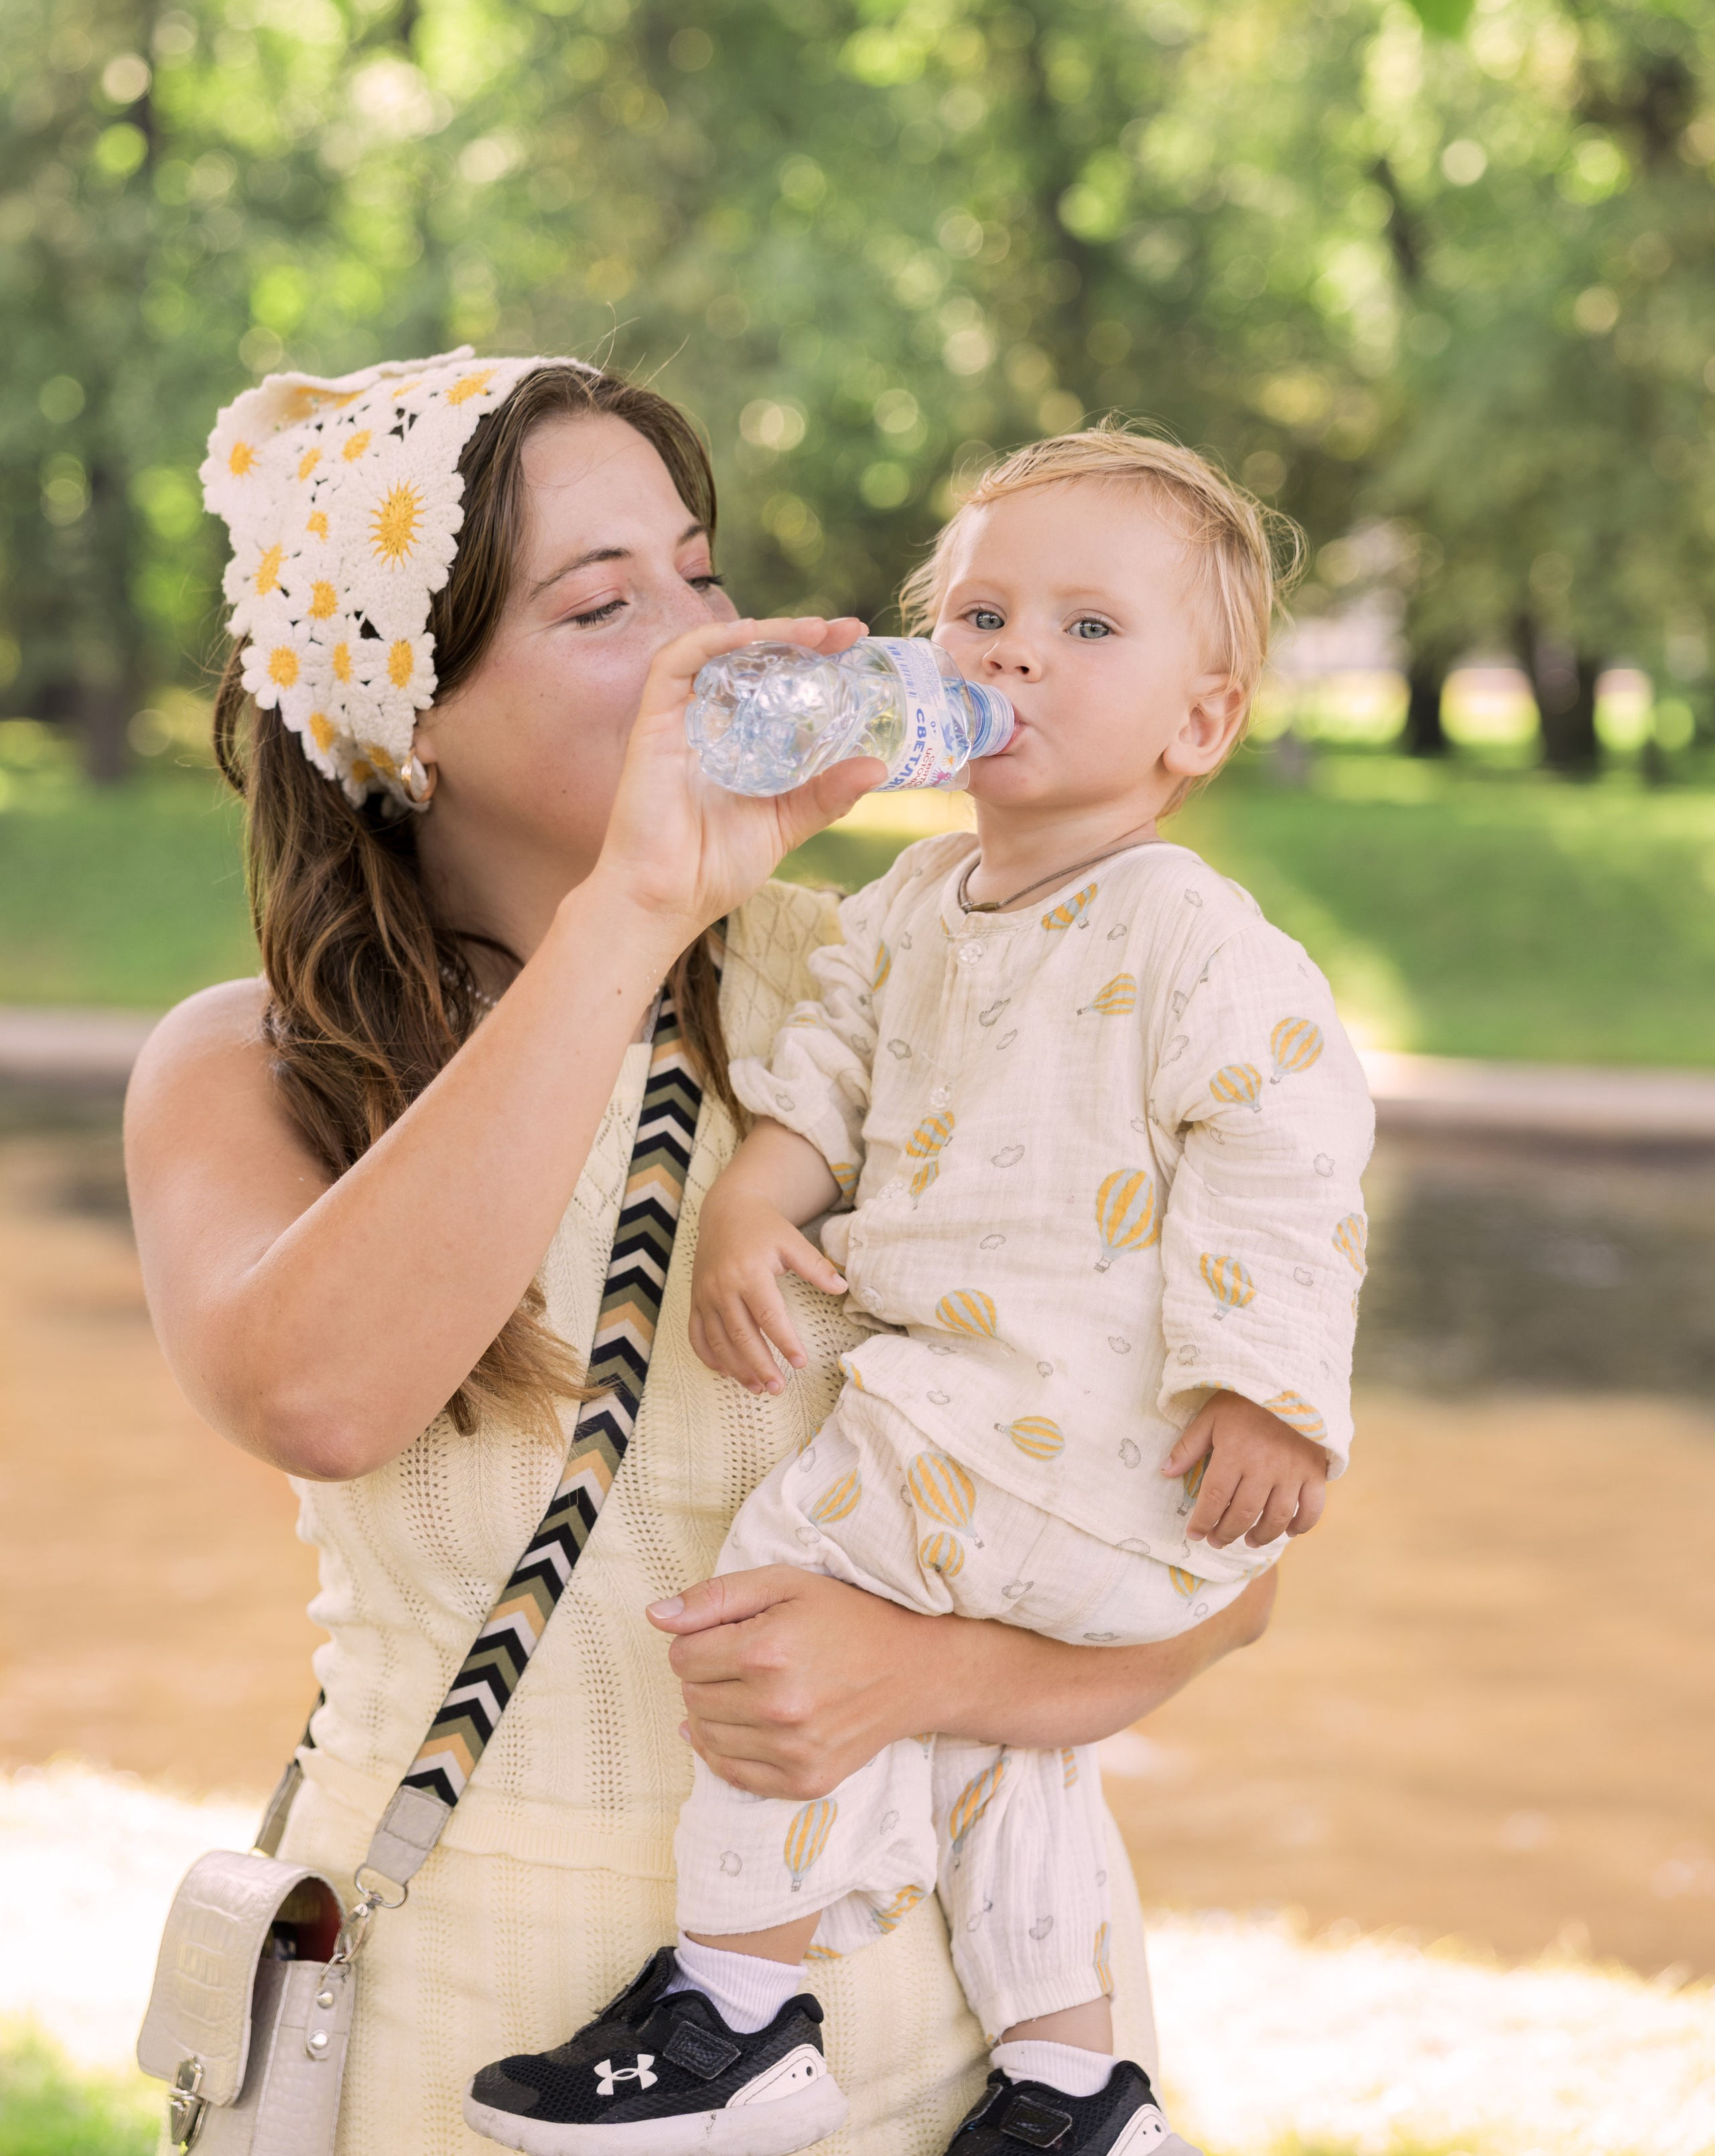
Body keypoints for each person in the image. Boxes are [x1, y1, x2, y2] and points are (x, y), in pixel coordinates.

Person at [127, 355, 1278, 2156]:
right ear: (404, 712)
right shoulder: (253, 1066)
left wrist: (935, 1678)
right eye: (601, 605)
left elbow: (1222, 1550)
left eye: (700, 572)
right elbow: (322, 1397)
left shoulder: (903, 986)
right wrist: (637, 911)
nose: (703, 641)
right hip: (466, 2037)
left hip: (942, 2046)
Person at [464, 427, 1372, 2156]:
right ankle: (1075, 2085)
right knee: (1000, 1752)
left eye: (1087, 628)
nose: (1016, 654)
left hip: (1091, 1431)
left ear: (1199, 723)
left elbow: (1289, 1144)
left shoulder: (1193, 935)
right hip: (1005, 1448)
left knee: (780, 1583)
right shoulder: (910, 904)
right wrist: (754, 1200)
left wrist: (1266, 1388)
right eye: (980, 616)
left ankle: (737, 2011)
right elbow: (826, 1070)